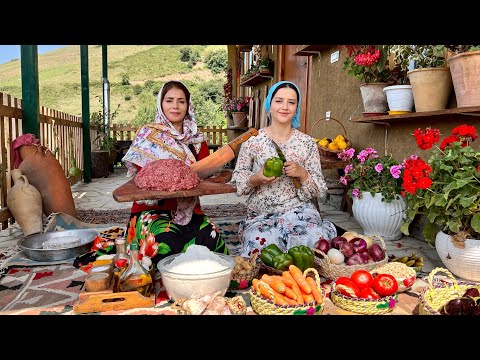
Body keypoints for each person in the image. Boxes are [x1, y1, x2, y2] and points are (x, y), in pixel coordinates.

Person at [121, 80, 228, 264]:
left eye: (181, 101)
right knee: (165, 240)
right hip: (151, 209)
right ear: (161, 104)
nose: (175, 106)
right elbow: (143, 175)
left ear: (188, 105)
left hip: (188, 207)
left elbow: (203, 172)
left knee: (209, 236)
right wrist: (174, 177)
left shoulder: (196, 139)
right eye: (169, 100)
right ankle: (163, 278)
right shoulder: (148, 135)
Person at [231, 81, 338, 258]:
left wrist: (303, 174)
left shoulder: (307, 143)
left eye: (291, 102)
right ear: (269, 104)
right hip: (262, 213)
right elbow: (239, 182)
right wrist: (256, 178)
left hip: (299, 212)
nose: (285, 107)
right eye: (279, 101)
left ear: (297, 107)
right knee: (260, 245)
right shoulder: (253, 141)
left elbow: (319, 188)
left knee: (315, 242)